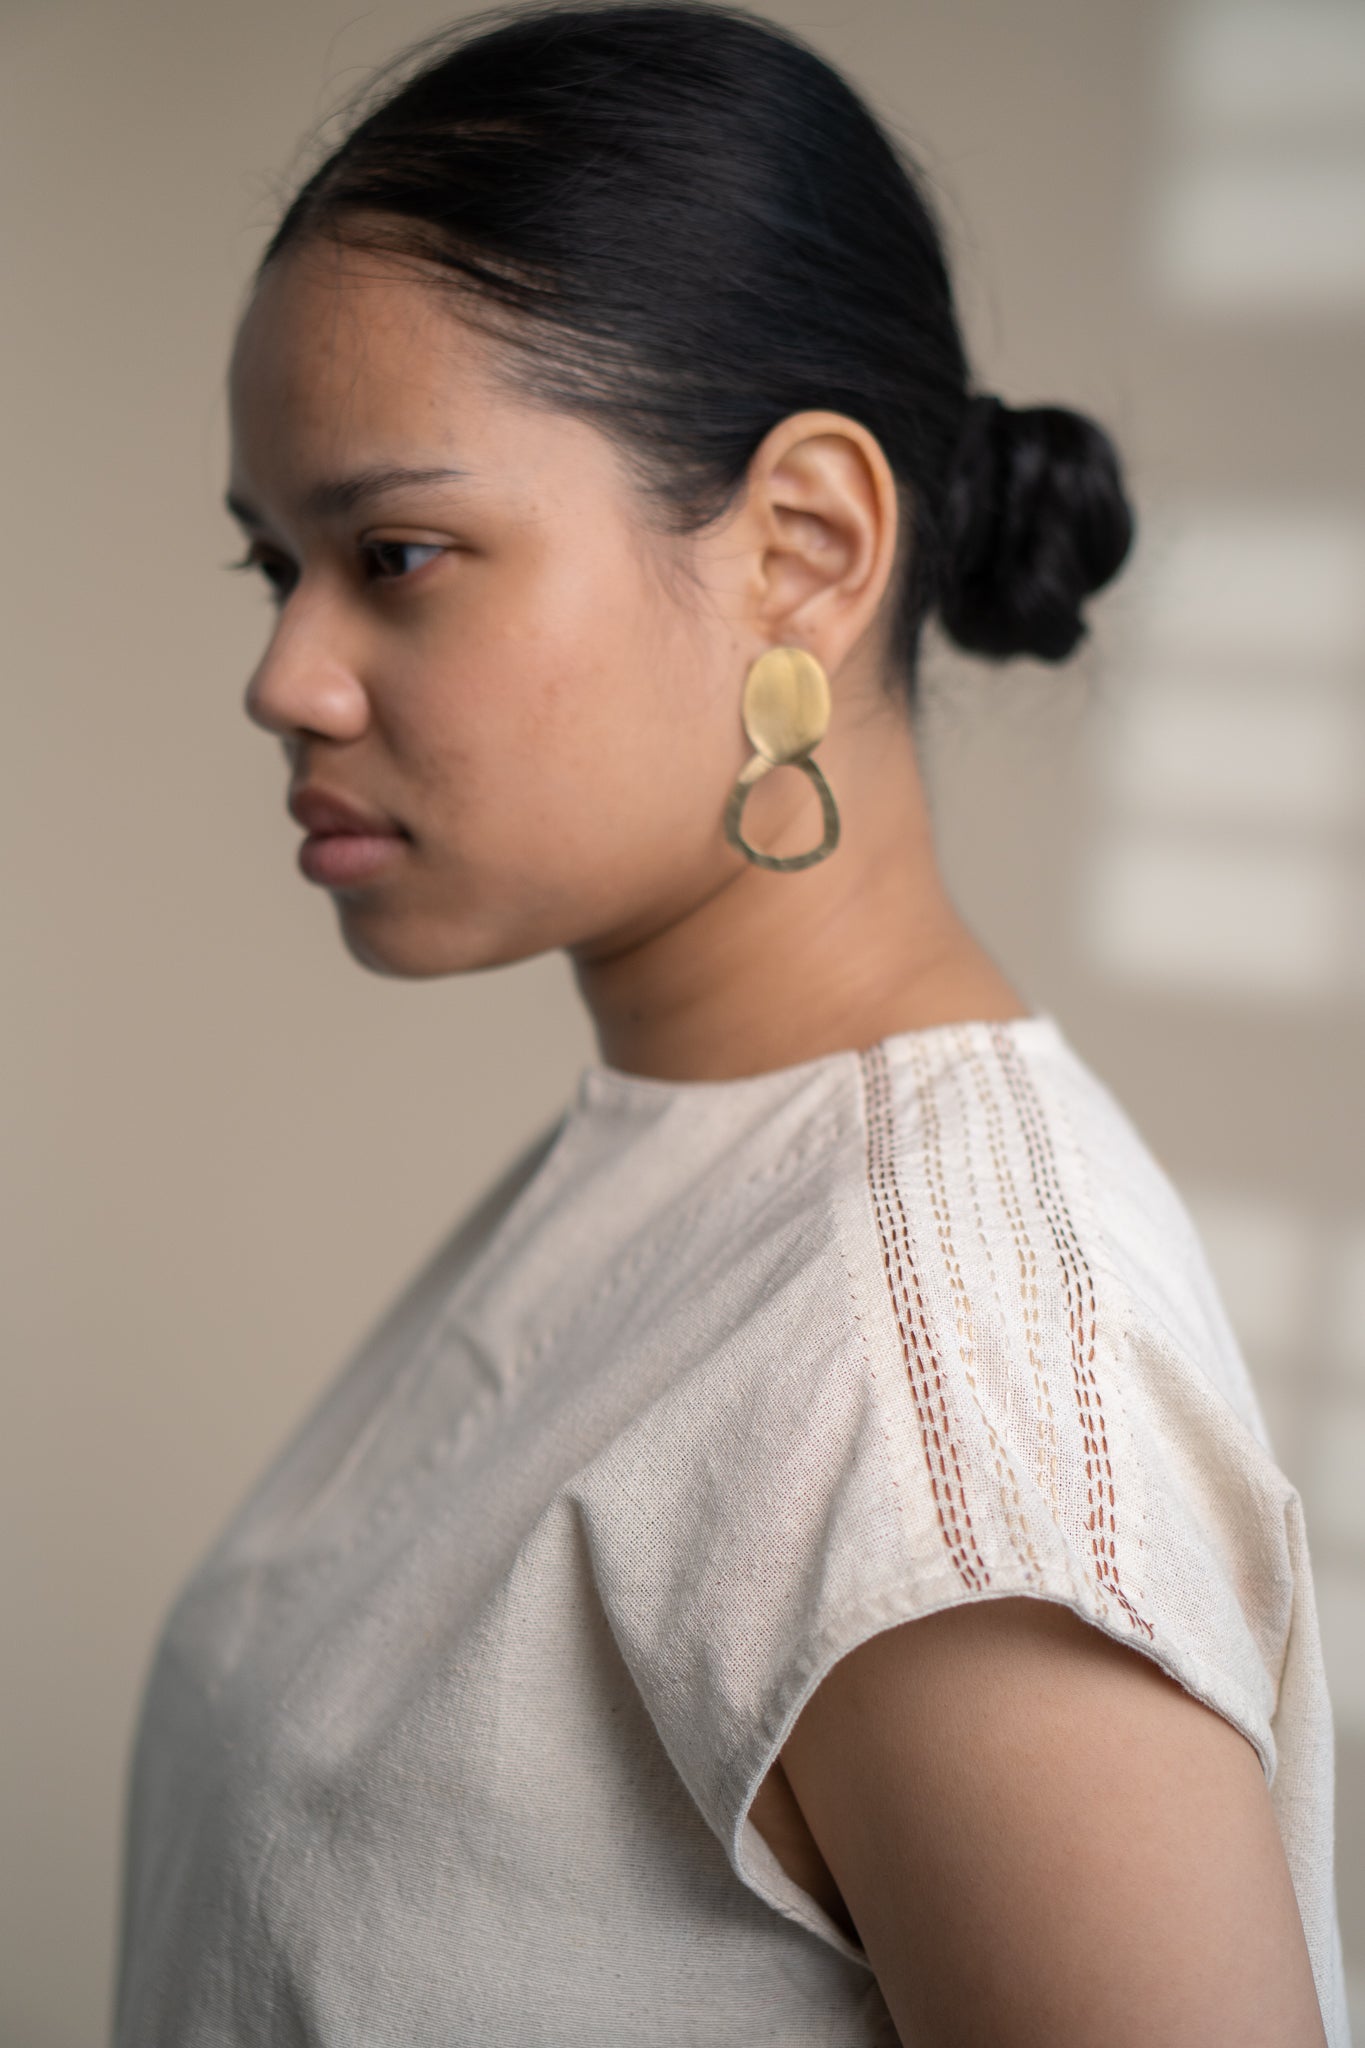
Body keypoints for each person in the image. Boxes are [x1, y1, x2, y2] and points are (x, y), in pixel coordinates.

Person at [112, 5, 1348, 2043]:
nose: (287, 676)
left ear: (802, 552)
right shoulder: (688, 1175)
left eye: (394, 554)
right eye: (276, 565)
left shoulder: (934, 1388)